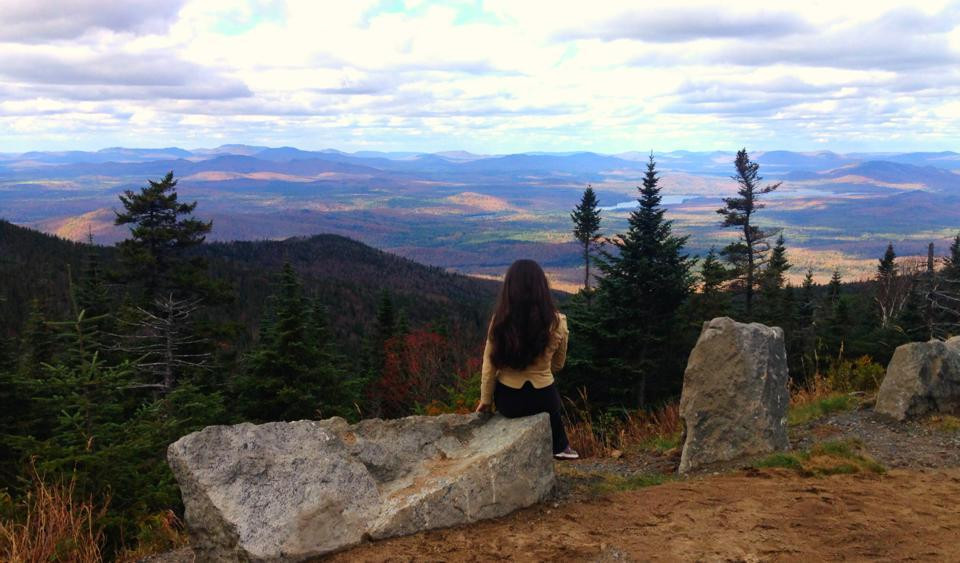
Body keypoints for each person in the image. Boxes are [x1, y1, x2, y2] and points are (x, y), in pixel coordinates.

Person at [475, 259, 579, 460]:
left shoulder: (499, 321)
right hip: (545, 400)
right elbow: (558, 365)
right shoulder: (558, 322)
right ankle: (561, 447)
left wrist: (486, 401)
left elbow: (489, 367)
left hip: (509, 402)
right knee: (553, 410)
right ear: (542, 288)